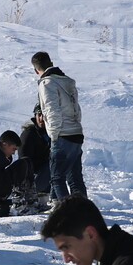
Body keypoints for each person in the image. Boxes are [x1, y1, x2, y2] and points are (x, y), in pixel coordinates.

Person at [32, 51, 86, 202]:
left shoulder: (47, 83)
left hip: (62, 134)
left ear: (36, 70)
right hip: (76, 132)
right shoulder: (67, 81)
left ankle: (68, 215)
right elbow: (76, 109)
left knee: (57, 178)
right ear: (51, 63)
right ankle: (83, 213)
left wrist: (54, 135)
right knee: (75, 178)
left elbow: (51, 110)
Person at [19, 105, 51, 197]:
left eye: (44, 115)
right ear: (35, 116)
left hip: (43, 174)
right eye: (39, 115)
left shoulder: (49, 132)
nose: (41, 118)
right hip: (31, 179)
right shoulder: (28, 134)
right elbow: (23, 162)